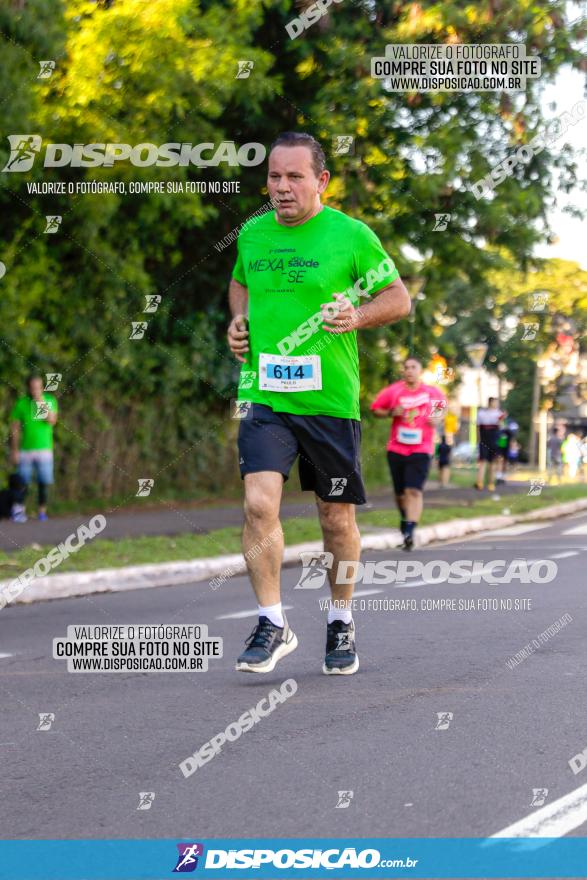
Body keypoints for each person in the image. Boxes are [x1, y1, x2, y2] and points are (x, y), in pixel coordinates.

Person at [227, 131, 410, 675]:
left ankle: (340, 620)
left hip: (329, 400)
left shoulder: (350, 235)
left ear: (321, 181)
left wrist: (356, 315)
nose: (281, 188)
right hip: (264, 393)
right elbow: (241, 285)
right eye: (274, 177)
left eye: (294, 177)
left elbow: (397, 299)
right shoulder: (253, 235)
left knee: (335, 518)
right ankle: (271, 622)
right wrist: (238, 321)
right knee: (259, 504)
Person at [371, 358, 447, 550]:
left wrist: (436, 419)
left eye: (413, 367)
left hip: (421, 448)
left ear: (420, 371)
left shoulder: (432, 392)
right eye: (406, 368)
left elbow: (441, 411)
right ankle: (405, 518)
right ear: (403, 371)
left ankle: (410, 531)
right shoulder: (394, 391)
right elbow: (376, 409)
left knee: (413, 491)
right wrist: (390, 412)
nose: (409, 370)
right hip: (396, 448)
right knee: (400, 494)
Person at [9, 375, 58, 522]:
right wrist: (14, 450)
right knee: (22, 482)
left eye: (38, 387)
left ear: (42, 387)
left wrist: (40, 402)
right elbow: (15, 429)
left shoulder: (50, 400)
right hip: (26, 450)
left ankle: (42, 512)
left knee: (44, 482)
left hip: (44, 449)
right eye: (32, 387)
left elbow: (52, 421)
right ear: (28, 388)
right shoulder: (22, 404)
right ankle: (19, 512)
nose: (35, 390)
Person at [475, 397, 505, 492]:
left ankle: (491, 483)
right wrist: (478, 439)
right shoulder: (482, 413)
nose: (496, 404)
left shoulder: (499, 413)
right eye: (494, 402)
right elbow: (478, 427)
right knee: (482, 462)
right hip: (484, 440)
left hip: (494, 440)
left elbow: (501, 427)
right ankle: (479, 482)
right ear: (490, 403)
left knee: (492, 463)